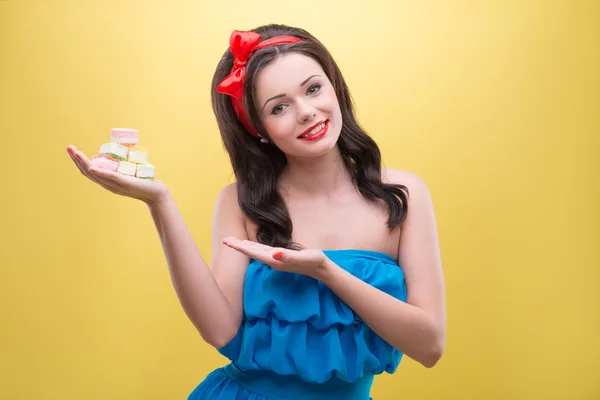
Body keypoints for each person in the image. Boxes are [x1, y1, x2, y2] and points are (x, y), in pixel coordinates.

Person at [66, 24, 446, 400]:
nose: (307, 112)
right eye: (279, 107)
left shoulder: (403, 194)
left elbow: (429, 346)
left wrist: (325, 271)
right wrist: (159, 202)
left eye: (313, 89)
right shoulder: (239, 202)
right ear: (258, 129)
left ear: (335, 87)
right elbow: (219, 331)